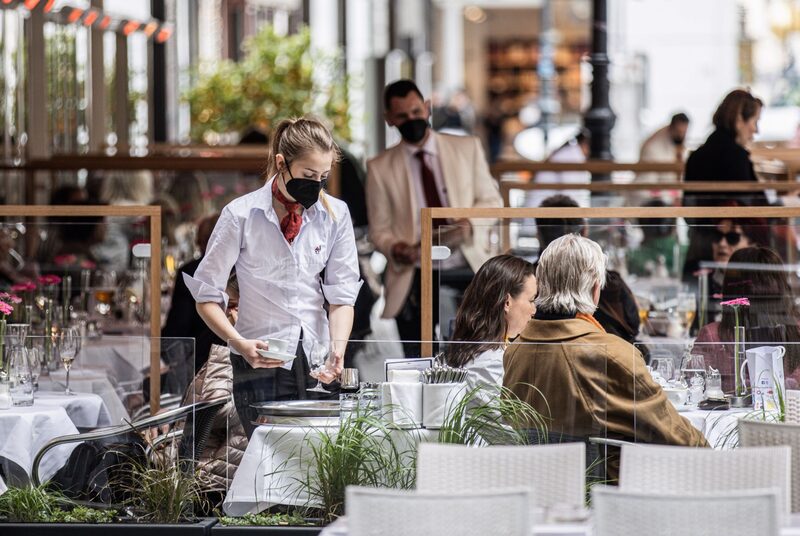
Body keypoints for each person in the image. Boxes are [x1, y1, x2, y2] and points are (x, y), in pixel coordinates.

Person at [185, 117, 362, 439]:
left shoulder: (335, 215)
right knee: (266, 458)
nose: (316, 185)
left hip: (316, 358)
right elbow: (206, 296)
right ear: (282, 163)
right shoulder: (241, 215)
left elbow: (342, 296)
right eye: (308, 176)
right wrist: (239, 343)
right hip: (259, 359)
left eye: (323, 177)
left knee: (316, 460)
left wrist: (338, 349)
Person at [503, 234, 708, 478]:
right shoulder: (614, 354)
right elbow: (678, 439)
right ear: (595, 288)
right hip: (610, 501)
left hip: (542, 494)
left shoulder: (515, 351)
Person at [367, 79, 503, 355]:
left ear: (427, 108)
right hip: (415, 273)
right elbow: (379, 229)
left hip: (469, 264)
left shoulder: (467, 148)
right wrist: (396, 248)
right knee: (419, 360)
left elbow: (492, 201)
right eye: (402, 116)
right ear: (389, 119)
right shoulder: (379, 167)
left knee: (478, 355)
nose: (411, 120)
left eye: (416, 112)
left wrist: (468, 224)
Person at [682, 89, 768, 279]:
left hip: (698, 253)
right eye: (754, 121)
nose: (756, 130)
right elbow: (751, 212)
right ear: (739, 120)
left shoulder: (696, 156)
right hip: (733, 257)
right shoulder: (737, 158)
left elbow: (688, 211)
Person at [535, 194, 640, 344]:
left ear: (538, 235)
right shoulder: (612, 284)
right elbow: (634, 325)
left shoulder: (526, 280)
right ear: (584, 232)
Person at [694, 246, 800, 393]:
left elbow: (693, 388)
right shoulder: (795, 332)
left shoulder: (712, 336)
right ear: (782, 288)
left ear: (731, 289)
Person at [443, 255, 536, 405]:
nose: (534, 310)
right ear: (507, 302)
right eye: (531, 300)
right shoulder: (489, 364)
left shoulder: (486, 351)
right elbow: (507, 424)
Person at [162, 213, 226, 373]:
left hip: (197, 367)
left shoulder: (191, 272)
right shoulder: (246, 273)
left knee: (141, 391)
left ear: (200, 241)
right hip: (243, 365)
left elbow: (176, 331)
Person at [630, 113, 689, 205]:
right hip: (655, 199)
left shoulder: (680, 146)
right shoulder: (652, 148)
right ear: (671, 128)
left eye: (684, 133)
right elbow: (648, 183)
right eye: (678, 132)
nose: (681, 135)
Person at [523, 129, 591, 209]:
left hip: (543, 205)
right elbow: (570, 191)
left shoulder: (568, 152)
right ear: (585, 144)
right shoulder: (572, 156)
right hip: (544, 206)